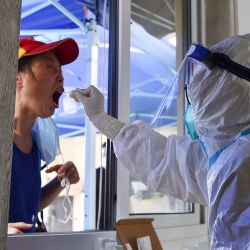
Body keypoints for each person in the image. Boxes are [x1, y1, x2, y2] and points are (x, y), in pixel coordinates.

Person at [70, 34, 250, 249]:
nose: (198, 118)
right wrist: (102, 119)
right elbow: (168, 162)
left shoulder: (237, 162)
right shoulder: (227, 153)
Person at [8, 37, 80, 234]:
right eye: (50, 67)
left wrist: (60, 181)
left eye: (61, 73)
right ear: (17, 78)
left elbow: (30, 204)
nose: (61, 78)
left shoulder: (36, 145)